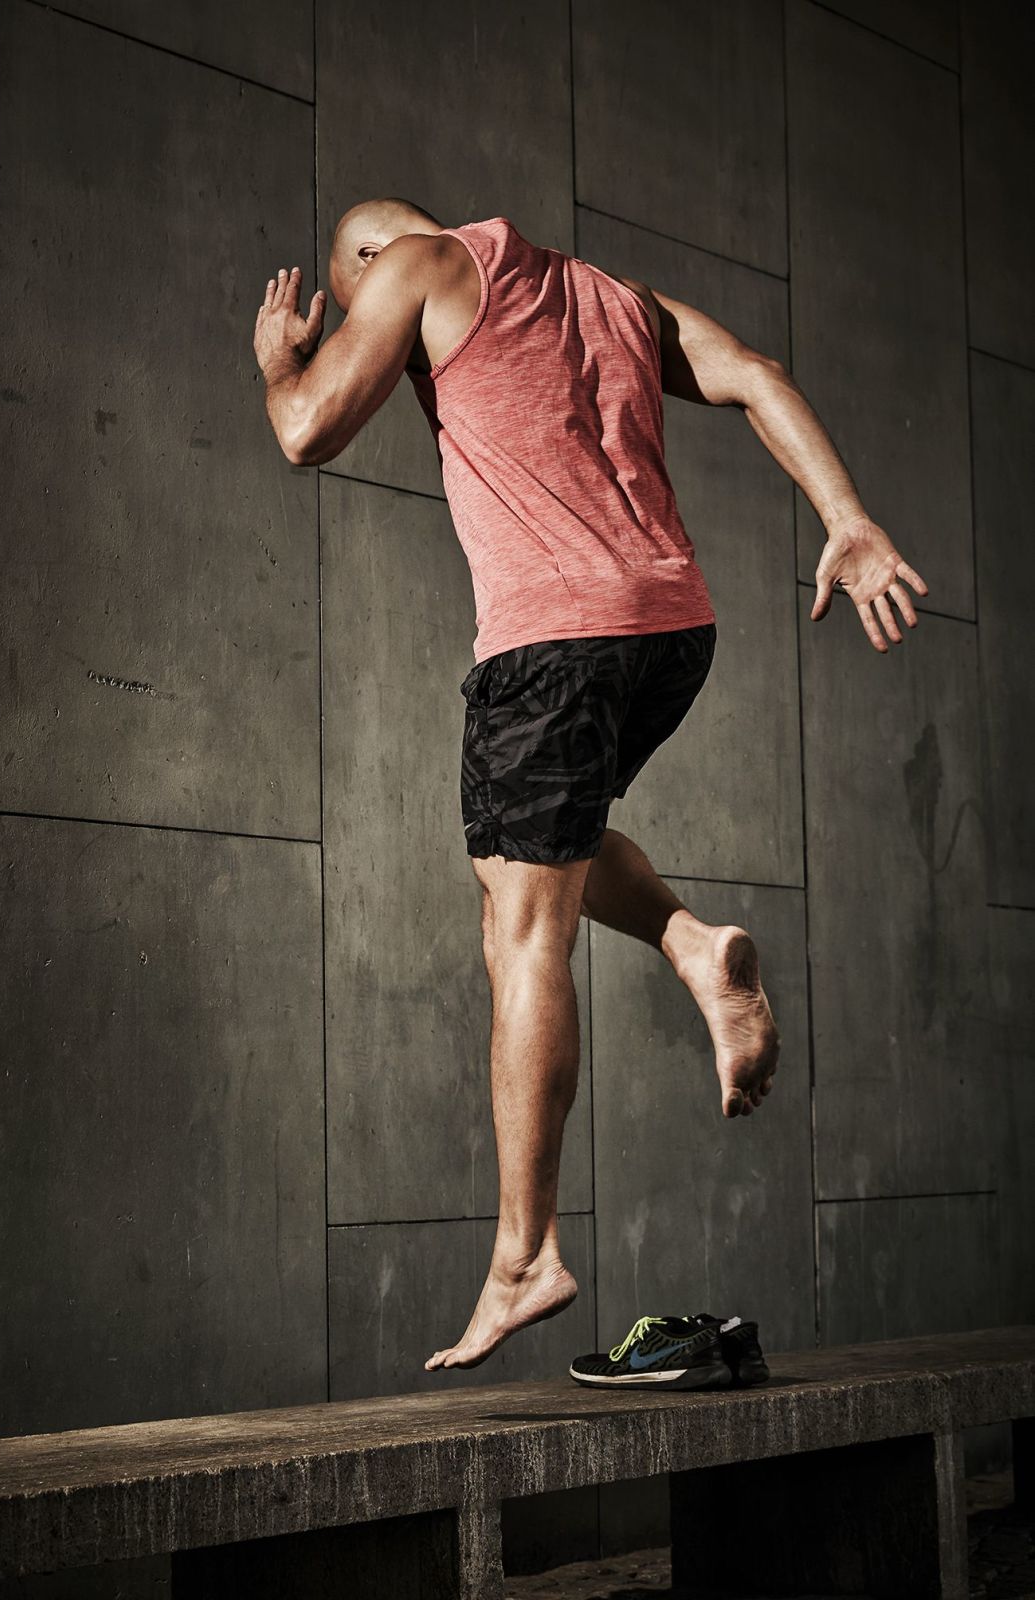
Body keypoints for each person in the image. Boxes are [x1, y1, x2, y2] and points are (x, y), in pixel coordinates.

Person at [253, 197, 928, 1373]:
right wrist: (848, 519)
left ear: (370, 263)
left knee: (520, 932)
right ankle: (691, 950)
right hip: (669, 630)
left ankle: (525, 1254)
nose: (368, 320)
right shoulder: (611, 292)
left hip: (549, 642)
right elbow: (756, 372)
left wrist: (281, 365)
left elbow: (307, 431)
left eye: (355, 301)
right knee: (523, 857)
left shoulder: (410, 264)